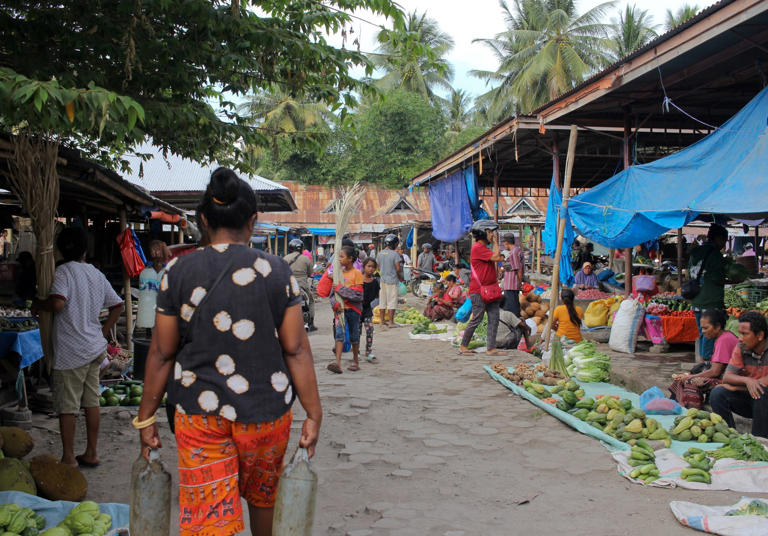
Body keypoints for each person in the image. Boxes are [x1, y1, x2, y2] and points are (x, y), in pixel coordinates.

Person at [136, 168, 322, 536]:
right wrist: (314, 413)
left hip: (198, 413)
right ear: (253, 221)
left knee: (210, 520)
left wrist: (145, 419)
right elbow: (296, 349)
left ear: (203, 219)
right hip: (266, 412)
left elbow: (161, 353)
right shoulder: (275, 270)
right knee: (263, 500)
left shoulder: (177, 271)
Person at [34, 227, 124, 468]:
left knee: (68, 406)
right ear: (85, 250)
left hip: (71, 351)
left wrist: (39, 303)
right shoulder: (95, 274)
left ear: (62, 250)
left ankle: (68, 458)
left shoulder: (63, 272)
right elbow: (118, 305)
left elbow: (58, 303)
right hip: (94, 349)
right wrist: (102, 333)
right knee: (91, 401)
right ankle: (92, 452)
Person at [710, 312, 768, 438]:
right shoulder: (741, 347)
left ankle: (760, 441)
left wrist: (737, 386)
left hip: (764, 401)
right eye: (740, 333)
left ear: (760, 335)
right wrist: (747, 381)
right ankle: (730, 436)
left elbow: (763, 383)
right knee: (717, 394)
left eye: (745, 334)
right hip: (751, 400)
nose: (740, 338)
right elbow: (727, 377)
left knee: (761, 391)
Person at [669, 309, 739, 408]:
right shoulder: (723, 337)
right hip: (725, 374)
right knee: (686, 376)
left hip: (730, 379)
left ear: (718, 327)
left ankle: (694, 410)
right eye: (702, 328)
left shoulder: (724, 340)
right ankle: (676, 405)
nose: (703, 332)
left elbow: (715, 372)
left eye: (706, 328)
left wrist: (691, 377)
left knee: (690, 382)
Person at [459, 220, 505, 357]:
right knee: (477, 318)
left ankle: (491, 348)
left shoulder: (483, 249)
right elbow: (497, 257)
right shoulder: (478, 247)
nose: (492, 235)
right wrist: (497, 243)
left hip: (490, 290)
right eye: (490, 232)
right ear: (483, 233)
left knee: (494, 318)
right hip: (478, 291)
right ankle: (463, 346)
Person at [689, 223, 729, 361]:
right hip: (711, 301)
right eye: (724, 240)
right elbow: (717, 278)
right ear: (718, 238)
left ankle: (702, 361)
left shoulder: (695, 251)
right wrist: (732, 280)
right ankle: (706, 362)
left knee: (703, 332)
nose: (724, 244)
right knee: (710, 334)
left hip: (696, 300)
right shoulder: (715, 255)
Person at [323, 246, 364, 373]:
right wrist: (334, 304)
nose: (339, 259)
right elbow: (332, 294)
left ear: (350, 259)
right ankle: (338, 363)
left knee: (354, 335)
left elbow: (358, 295)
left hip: (353, 310)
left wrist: (341, 289)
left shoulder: (357, 273)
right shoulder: (337, 273)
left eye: (342, 256)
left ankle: (355, 362)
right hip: (340, 310)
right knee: (339, 335)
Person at [136, 240, 170, 337]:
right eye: (152, 250)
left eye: (157, 250)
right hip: (149, 312)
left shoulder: (167, 271)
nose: (154, 252)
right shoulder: (147, 272)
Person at [285, 238, 316, 331]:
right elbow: (310, 273)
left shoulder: (285, 258)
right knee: (311, 301)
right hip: (303, 285)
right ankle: (311, 323)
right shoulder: (306, 258)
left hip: (289, 285)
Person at [377, 234, 403, 328]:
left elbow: (378, 268)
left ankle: (382, 321)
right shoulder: (395, 254)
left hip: (382, 280)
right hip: (392, 280)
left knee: (382, 300)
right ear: (394, 244)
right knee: (392, 301)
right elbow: (398, 269)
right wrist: (400, 277)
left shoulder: (380, 253)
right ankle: (391, 322)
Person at [361, 258, 380, 364]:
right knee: (357, 332)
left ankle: (368, 351)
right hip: (357, 309)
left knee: (370, 330)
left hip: (367, 308)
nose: (371, 269)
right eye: (368, 266)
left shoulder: (375, 282)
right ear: (364, 267)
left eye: (373, 267)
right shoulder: (358, 279)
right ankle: (356, 352)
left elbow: (376, 295)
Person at [501, 233, 524, 316]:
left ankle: (514, 325)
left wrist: (520, 282)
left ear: (506, 242)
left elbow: (519, 269)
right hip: (511, 284)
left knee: (511, 308)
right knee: (513, 306)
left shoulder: (514, 252)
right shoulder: (515, 250)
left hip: (511, 284)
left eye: (504, 243)